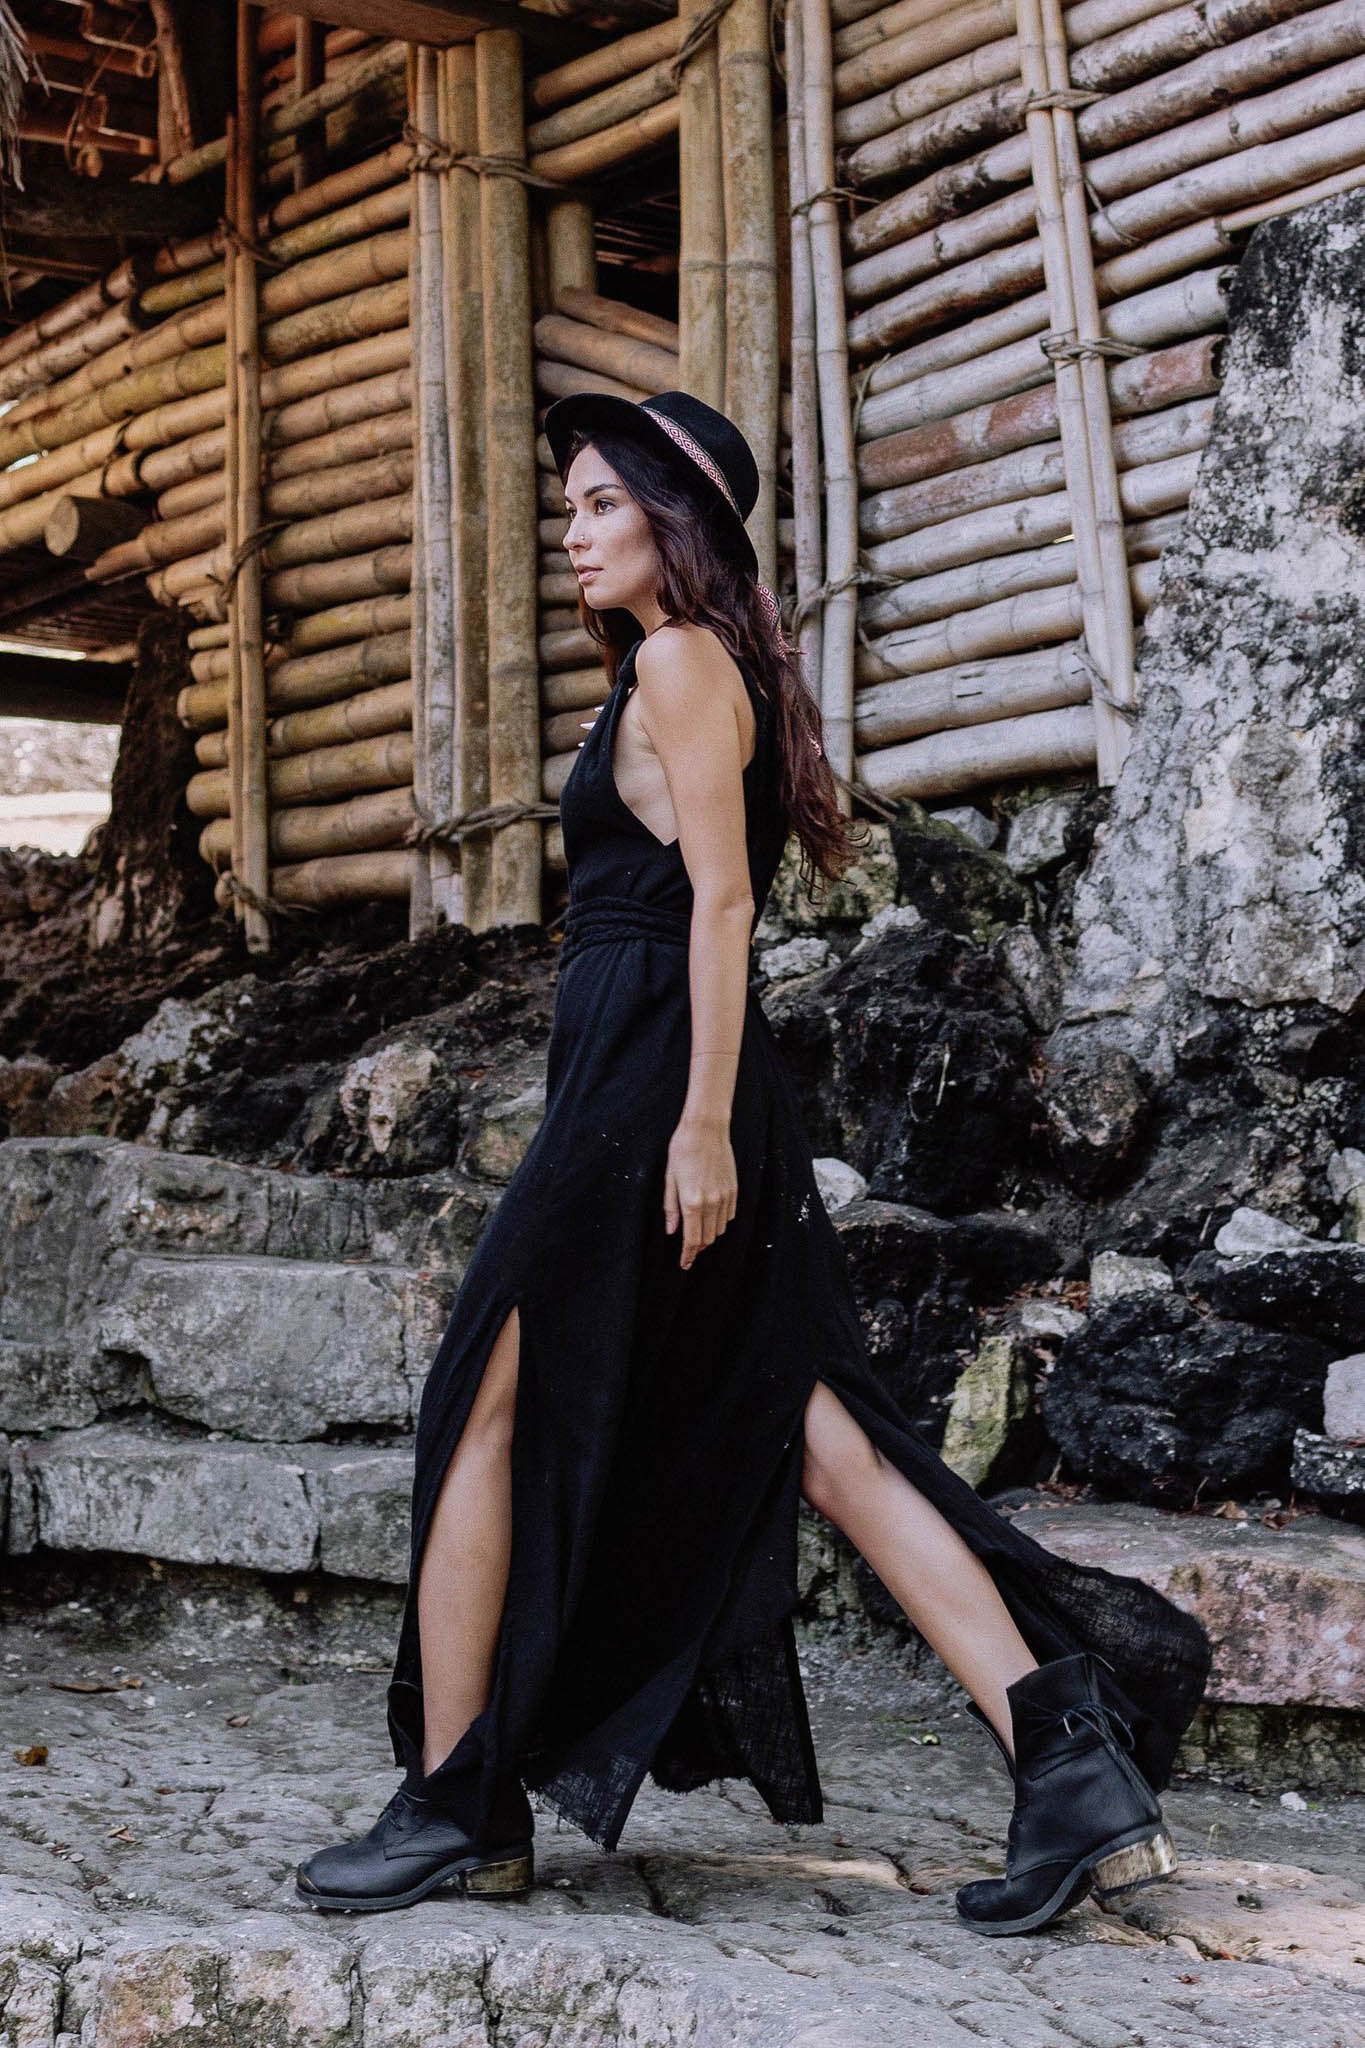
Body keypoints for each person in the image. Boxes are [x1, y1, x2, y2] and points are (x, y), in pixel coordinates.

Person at [296, 390, 1212, 1937]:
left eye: (599, 505)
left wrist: (701, 1125)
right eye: (570, 507)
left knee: (485, 1398)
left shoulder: (675, 660)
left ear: (678, 522)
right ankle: (1071, 1770)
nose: (573, 532)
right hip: (644, 1071)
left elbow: (721, 908)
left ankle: (458, 1801)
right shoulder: (680, 671)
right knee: (815, 1431)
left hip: (660, 1088)